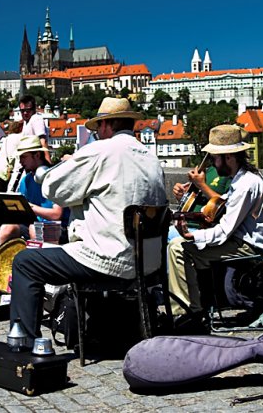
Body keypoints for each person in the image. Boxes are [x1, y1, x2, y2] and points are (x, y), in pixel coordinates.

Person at [9, 97, 166, 346]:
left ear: (106, 125)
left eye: (97, 129)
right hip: (149, 263)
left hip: (109, 259)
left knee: (25, 262)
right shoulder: (151, 157)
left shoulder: (100, 151)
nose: (96, 134)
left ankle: (24, 342)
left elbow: (54, 188)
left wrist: (72, 164)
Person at [168, 125, 263, 329]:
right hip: (239, 240)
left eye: (215, 158)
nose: (212, 163)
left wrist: (193, 236)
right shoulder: (242, 179)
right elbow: (224, 206)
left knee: (179, 248)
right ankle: (195, 310)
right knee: (184, 248)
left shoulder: (245, 184)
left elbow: (226, 229)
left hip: (247, 245)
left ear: (229, 158)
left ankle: (185, 313)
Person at [10, 135, 62, 242]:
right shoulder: (26, 180)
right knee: (7, 228)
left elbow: (56, 214)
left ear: (37, 155)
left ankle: (36, 258)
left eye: (24, 157)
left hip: (55, 227)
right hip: (32, 224)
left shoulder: (55, 178)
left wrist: (31, 208)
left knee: (35, 229)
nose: (20, 162)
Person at [169, 159, 231, 240]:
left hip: (205, 229)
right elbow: (193, 198)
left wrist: (201, 185)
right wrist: (183, 195)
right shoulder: (208, 170)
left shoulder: (229, 173)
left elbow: (227, 205)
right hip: (186, 223)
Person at [18, 95, 50, 164]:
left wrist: (48, 161)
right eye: (22, 111)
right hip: (29, 160)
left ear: (34, 108)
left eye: (28, 110)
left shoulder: (36, 118)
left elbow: (42, 141)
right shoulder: (26, 122)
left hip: (36, 160)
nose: (25, 113)